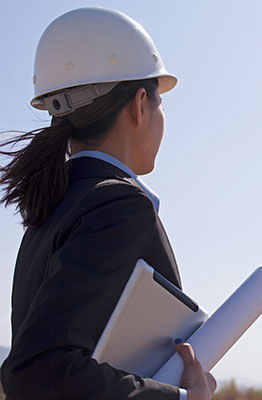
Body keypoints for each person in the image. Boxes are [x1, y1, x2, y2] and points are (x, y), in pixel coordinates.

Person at [0, 7, 216, 400]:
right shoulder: (118, 204)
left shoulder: (57, 202)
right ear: (138, 104)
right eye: (159, 103)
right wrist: (184, 398)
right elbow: (37, 370)